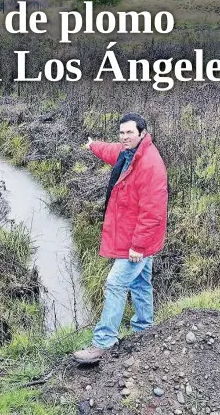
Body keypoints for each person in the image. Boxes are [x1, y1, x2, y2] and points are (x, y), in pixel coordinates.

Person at [73, 113, 168, 364]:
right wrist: (92, 145)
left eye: (130, 133)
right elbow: (112, 150)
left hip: (138, 242)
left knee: (115, 283)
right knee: (140, 283)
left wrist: (138, 245)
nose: (125, 137)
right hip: (136, 238)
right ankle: (145, 328)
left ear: (143, 133)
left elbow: (153, 211)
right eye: (122, 132)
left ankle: (103, 342)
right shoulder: (129, 154)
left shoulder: (150, 164)